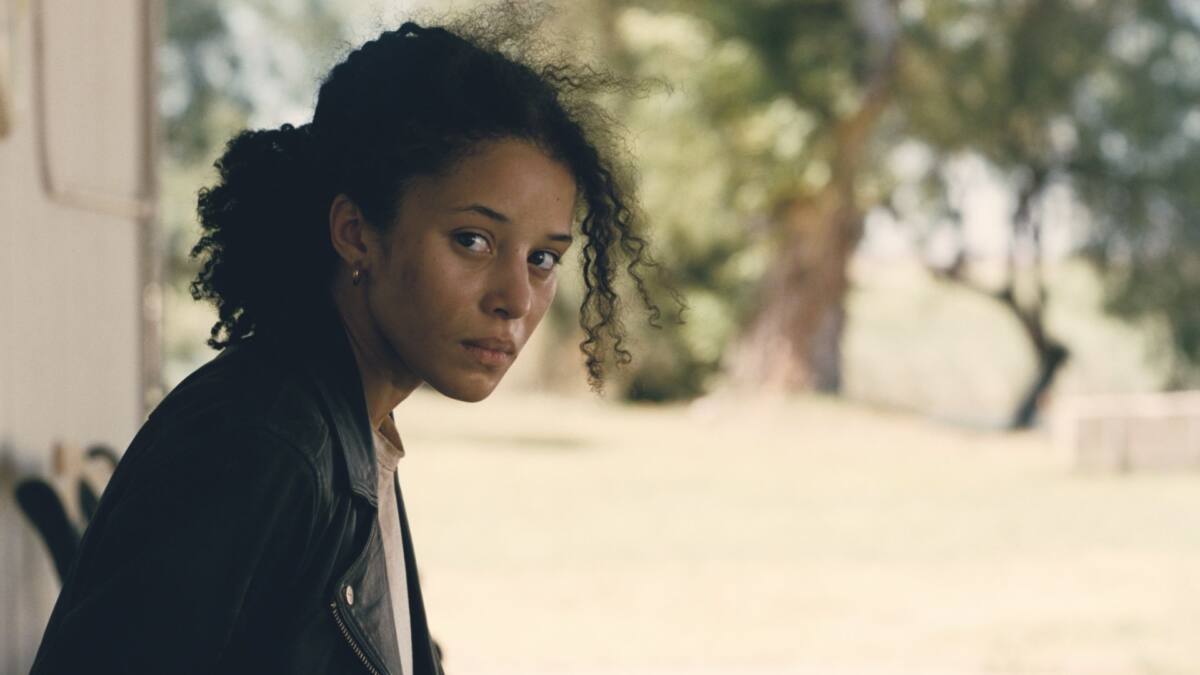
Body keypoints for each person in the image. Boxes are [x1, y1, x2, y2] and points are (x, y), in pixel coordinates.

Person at [29, 9, 665, 675]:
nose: (516, 297)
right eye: (472, 240)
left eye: (542, 258)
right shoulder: (263, 444)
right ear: (357, 233)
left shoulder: (354, 432)